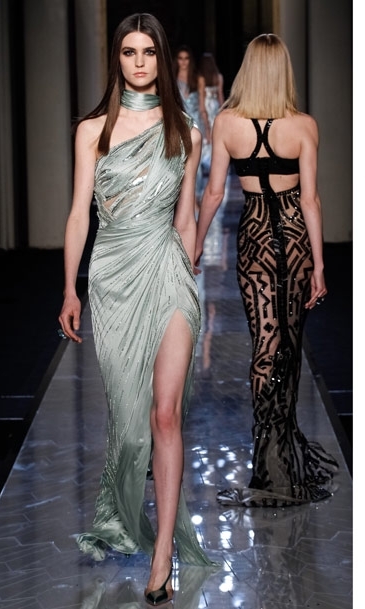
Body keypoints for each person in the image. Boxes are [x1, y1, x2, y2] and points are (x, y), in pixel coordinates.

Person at [58, 12, 219, 606]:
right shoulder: (92, 131)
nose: (140, 62)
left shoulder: (185, 133)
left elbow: (185, 216)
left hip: (168, 272)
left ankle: (162, 553)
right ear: (118, 59)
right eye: (129, 52)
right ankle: (133, 519)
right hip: (112, 276)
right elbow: (79, 214)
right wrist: (70, 288)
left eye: (148, 52)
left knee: (165, 415)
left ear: (161, 57)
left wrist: (188, 272)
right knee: (129, 426)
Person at [195, 33, 339, 508]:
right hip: (294, 240)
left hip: (255, 239)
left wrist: (195, 245)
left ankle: (270, 464)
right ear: (283, 72)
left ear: (248, 70)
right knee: (289, 350)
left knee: (265, 347)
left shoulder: (227, 122)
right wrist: (319, 263)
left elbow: (214, 193)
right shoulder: (303, 125)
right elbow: (310, 200)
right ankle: (282, 464)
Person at [173, 45, 208, 205]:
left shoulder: (198, 79)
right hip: (177, 124)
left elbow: (202, 107)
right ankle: (183, 199)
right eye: (180, 58)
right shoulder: (171, 79)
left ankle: (194, 198)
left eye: (186, 58)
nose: (183, 62)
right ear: (176, 60)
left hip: (196, 124)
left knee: (196, 164)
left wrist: (208, 129)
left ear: (190, 60)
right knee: (179, 161)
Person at [197, 52, 224, 181]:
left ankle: (207, 168)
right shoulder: (218, 77)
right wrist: (222, 112)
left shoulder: (201, 78)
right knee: (215, 136)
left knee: (207, 137)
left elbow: (201, 101)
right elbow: (221, 97)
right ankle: (215, 167)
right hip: (215, 107)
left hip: (206, 106)